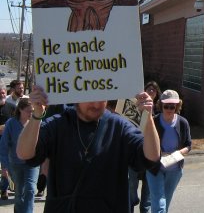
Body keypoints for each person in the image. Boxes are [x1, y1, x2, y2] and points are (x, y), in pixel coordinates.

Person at [16, 85, 160, 213]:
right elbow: (24, 153)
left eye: (102, 97)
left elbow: (151, 156)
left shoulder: (119, 127)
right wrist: (36, 115)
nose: (96, 104)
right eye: (90, 97)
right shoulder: (58, 124)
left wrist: (148, 118)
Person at [146, 89, 191, 213]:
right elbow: (144, 142)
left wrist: (177, 154)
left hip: (174, 169)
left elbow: (188, 145)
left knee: (165, 203)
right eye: (166, 106)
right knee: (159, 202)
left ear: (177, 106)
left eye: (173, 106)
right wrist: (159, 154)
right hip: (155, 168)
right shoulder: (153, 121)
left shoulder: (183, 123)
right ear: (161, 105)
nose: (169, 109)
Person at [0, 98, 40, 212]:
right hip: (15, 164)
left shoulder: (36, 122)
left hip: (32, 163)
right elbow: (3, 146)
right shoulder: (11, 123)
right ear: (20, 110)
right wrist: (4, 167)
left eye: (33, 111)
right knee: (19, 193)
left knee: (30, 189)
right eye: (28, 111)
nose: (31, 113)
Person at [129, 81, 162, 213]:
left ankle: (144, 209)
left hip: (152, 154)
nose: (151, 91)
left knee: (148, 191)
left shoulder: (161, 110)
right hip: (136, 152)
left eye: (154, 90)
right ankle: (131, 203)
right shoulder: (136, 105)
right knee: (131, 185)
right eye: (149, 89)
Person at [0, 85, 16, 200]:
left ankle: (4, 189)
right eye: (0, 93)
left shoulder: (12, 107)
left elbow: (17, 122)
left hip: (7, 141)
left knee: (6, 165)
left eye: (3, 93)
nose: (2, 95)